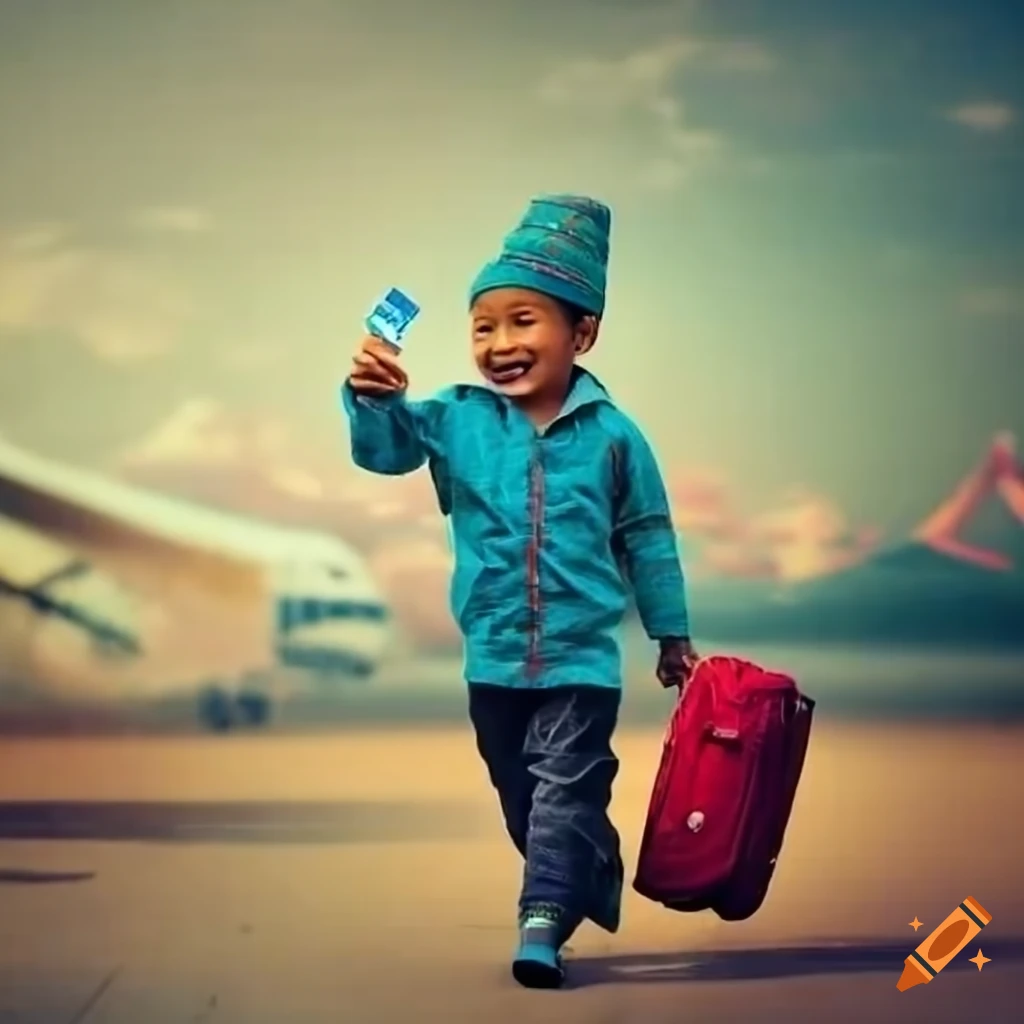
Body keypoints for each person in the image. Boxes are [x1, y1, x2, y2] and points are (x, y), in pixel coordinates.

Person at [341, 194, 697, 988]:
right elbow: (385, 452)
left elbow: (648, 535)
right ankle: (588, 863)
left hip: (579, 662)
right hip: (493, 658)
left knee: (563, 787)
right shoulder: (457, 420)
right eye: (483, 326)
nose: (500, 343)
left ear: (583, 333)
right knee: (521, 797)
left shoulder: (613, 436)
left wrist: (671, 636)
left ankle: (540, 921)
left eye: (523, 321)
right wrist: (372, 396)